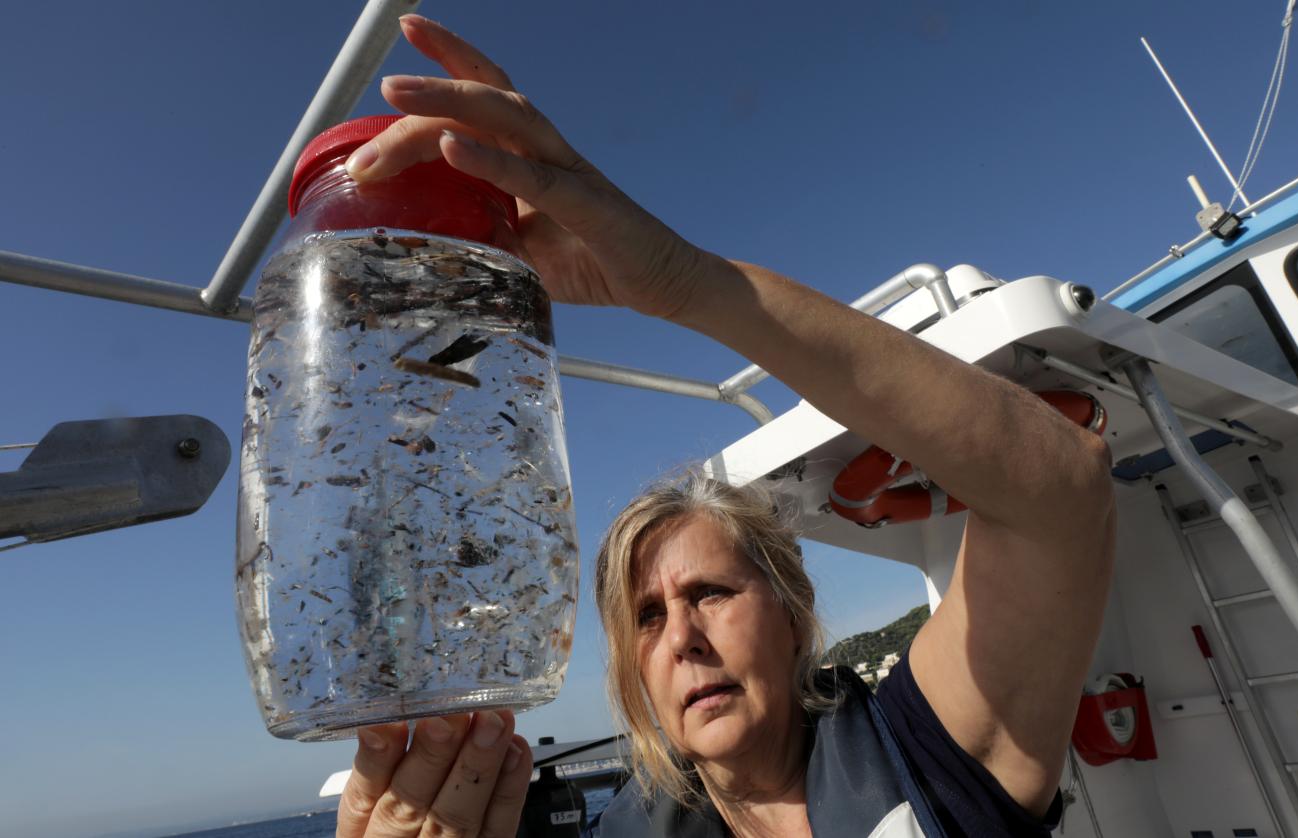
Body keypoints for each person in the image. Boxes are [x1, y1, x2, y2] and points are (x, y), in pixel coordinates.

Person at [334, 14, 1116, 838]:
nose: (682, 640)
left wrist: (682, 279)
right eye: (646, 617)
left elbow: (1060, 487)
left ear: (792, 614)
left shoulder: (929, 754)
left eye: (709, 592)